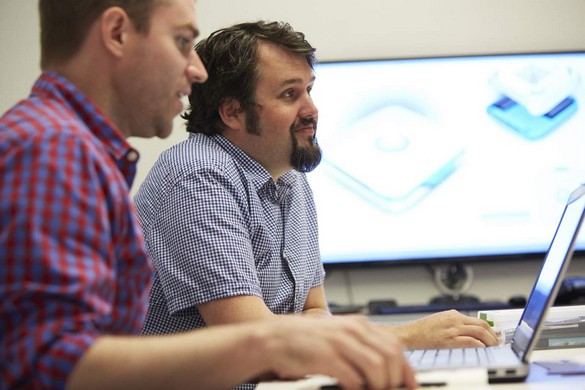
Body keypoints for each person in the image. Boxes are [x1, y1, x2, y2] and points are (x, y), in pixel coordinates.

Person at [0, 1, 417, 389]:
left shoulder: (76, 150)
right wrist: (273, 343)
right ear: (117, 33)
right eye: (182, 42)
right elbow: (45, 363)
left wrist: (292, 339)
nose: (197, 70)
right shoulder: (53, 148)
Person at [134, 20, 499, 350]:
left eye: (309, 89)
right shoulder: (198, 177)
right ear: (232, 112)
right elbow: (249, 336)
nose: (312, 109)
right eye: (290, 95)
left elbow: (313, 310)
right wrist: (405, 337)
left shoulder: (289, 179)